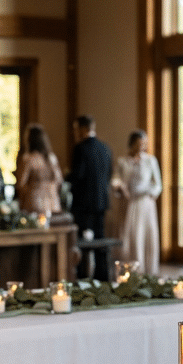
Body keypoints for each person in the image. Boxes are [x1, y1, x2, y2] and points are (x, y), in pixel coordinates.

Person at [66, 114, 114, 280]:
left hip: (83, 203)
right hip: (101, 202)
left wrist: (67, 177)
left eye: (76, 129)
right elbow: (108, 174)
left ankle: (81, 276)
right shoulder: (105, 148)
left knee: (80, 241)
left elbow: (78, 176)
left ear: (83, 128)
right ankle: (103, 276)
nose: (75, 133)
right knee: (100, 238)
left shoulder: (80, 149)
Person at [112, 129, 162, 276]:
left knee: (145, 235)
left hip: (145, 204)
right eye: (139, 144)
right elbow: (116, 179)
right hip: (129, 203)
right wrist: (120, 187)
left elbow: (157, 184)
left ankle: (148, 271)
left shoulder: (150, 161)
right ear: (132, 144)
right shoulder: (123, 161)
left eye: (144, 144)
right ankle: (131, 270)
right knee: (130, 236)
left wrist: (151, 194)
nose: (142, 147)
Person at [15, 122, 63, 216]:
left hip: (34, 203)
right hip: (53, 203)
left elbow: (21, 184)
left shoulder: (28, 159)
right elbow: (59, 180)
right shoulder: (51, 158)